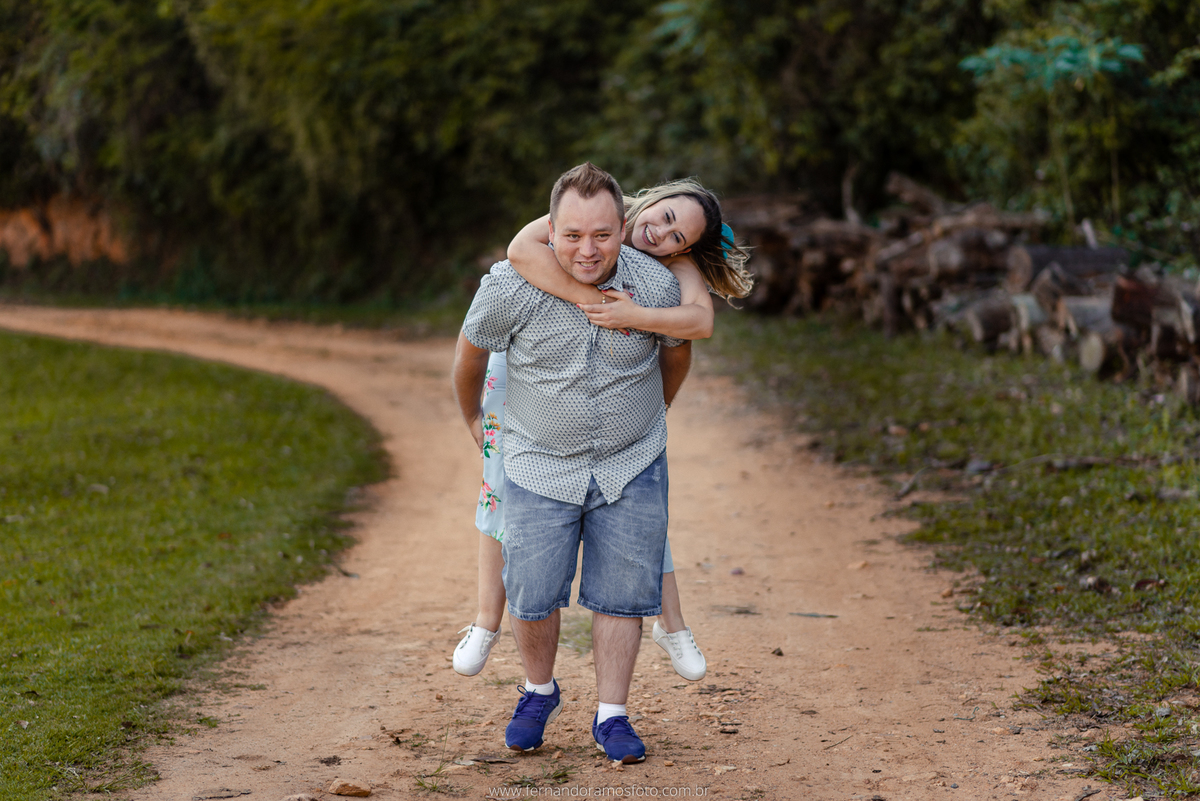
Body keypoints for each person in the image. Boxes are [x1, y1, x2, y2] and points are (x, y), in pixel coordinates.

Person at [453, 178, 752, 685]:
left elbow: (698, 325)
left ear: (687, 250)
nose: (660, 233)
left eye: (678, 237)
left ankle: (671, 622)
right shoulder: (597, 216)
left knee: (632, 499)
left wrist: (631, 315)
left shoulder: (666, 269)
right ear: (653, 198)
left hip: (615, 390)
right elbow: (521, 248)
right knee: (501, 484)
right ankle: (486, 619)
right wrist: (587, 297)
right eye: (664, 216)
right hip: (527, 367)